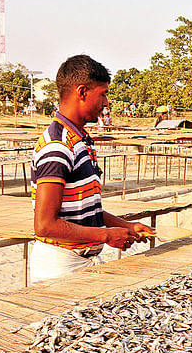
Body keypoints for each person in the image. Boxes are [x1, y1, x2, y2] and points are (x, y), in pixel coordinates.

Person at [30, 55, 153, 282]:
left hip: (84, 259)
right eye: (103, 94)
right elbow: (45, 226)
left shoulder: (80, 140)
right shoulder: (57, 146)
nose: (106, 102)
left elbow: (84, 209)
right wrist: (106, 235)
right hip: (61, 265)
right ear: (82, 92)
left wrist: (126, 226)